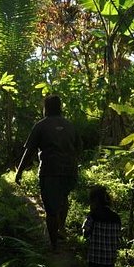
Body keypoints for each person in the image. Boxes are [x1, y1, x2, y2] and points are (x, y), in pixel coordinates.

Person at [15, 95, 80, 251]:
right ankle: (61, 229)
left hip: (50, 171)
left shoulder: (41, 126)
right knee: (63, 198)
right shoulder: (70, 125)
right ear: (60, 108)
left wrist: (19, 171)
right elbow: (79, 147)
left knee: (51, 209)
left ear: (46, 108)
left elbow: (29, 150)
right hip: (70, 170)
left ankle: (54, 245)